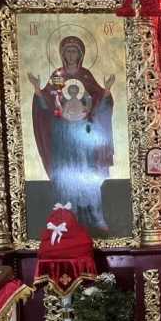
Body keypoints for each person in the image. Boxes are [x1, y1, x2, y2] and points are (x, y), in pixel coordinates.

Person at [28, 36, 115, 232]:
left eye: (74, 51)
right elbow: (48, 106)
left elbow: (99, 103)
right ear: (62, 54)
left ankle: (96, 216)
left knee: (88, 174)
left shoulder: (86, 76)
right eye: (67, 51)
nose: (71, 54)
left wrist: (107, 91)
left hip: (84, 136)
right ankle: (68, 216)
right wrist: (37, 90)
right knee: (66, 177)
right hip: (63, 137)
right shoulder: (58, 76)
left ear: (81, 54)